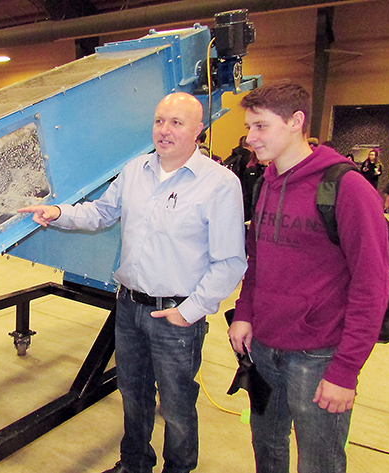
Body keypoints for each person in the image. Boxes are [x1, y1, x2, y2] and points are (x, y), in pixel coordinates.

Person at [19, 92, 247, 473]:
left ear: (198, 130)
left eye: (176, 123)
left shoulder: (219, 184)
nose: (165, 130)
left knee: (175, 405)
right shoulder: (135, 170)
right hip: (128, 306)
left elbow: (230, 262)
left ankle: (178, 468)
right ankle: (134, 464)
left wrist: (189, 312)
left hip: (175, 315)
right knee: (133, 395)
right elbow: (101, 213)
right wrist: (56, 211)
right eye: (160, 121)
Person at [228, 81, 389, 473]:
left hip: (319, 356)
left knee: (319, 462)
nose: (250, 138)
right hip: (264, 349)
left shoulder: (348, 188)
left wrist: (345, 370)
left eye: (261, 127)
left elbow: (372, 287)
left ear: (296, 121)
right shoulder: (266, 184)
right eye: (249, 127)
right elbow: (257, 260)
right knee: (267, 447)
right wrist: (245, 312)